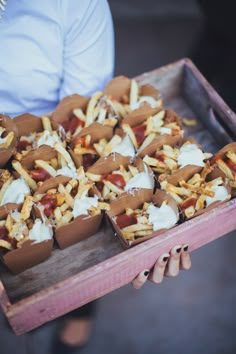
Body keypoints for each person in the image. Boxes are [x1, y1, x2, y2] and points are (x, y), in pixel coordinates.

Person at [0, 1, 191, 353]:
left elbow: (82, 115)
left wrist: (132, 249)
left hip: (53, 141)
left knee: (82, 231)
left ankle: (78, 319)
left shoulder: (75, 4)